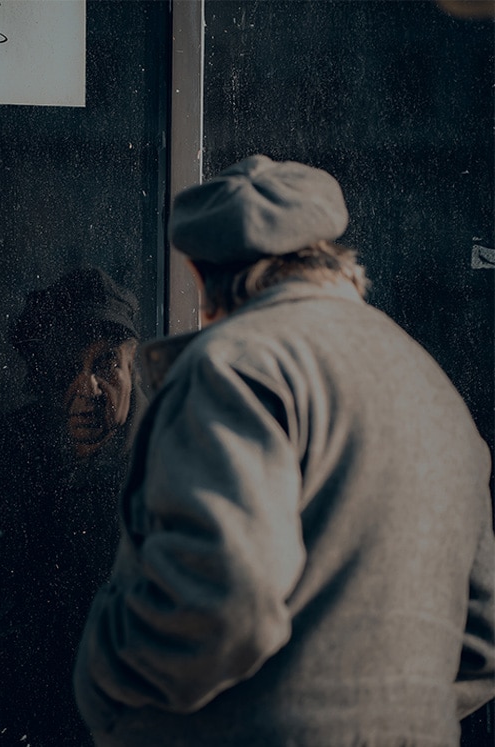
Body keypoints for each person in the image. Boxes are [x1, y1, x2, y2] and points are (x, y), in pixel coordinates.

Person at [73, 155, 495, 745]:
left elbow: (223, 604)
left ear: (202, 276)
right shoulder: (434, 389)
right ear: (327, 258)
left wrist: (99, 682)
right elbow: (480, 642)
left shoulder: (235, 365)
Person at [0, 266, 146, 746]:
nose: (88, 389)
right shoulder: (1, 454)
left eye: (105, 364)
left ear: (131, 365)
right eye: (67, 370)